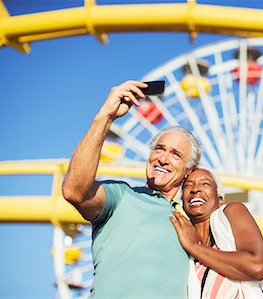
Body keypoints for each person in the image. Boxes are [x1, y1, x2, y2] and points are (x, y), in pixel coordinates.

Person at [62, 79, 202, 298]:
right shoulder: (122, 196)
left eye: (175, 154)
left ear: (188, 170)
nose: (163, 159)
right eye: (159, 149)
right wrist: (105, 117)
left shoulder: (196, 220)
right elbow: (75, 191)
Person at [170, 168, 263, 299]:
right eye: (188, 186)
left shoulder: (231, 212)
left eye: (205, 184)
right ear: (182, 201)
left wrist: (194, 247)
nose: (195, 189)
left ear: (220, 199)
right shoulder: (185, 253)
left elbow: (257, 266)